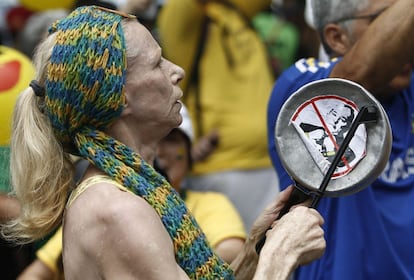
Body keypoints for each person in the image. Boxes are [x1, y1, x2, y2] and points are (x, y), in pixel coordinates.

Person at [0, 5, 325, 279]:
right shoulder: (117, 211)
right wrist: (281, 255)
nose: (177, 71)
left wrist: (259, 245)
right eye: (158, 63)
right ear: (120, 96)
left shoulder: (128, 189)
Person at [267, 0, 414, 279]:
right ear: (337, 37)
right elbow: (359, 73)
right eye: (386, 19)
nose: (406, 33)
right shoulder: (302, 86)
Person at [17, 105, 246, 280]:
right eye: (158, 142)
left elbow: (231, 251)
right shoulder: (113, 208)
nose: (161, 153)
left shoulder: (211, 204)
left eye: (173, 140)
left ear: (189, 151)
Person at [157, 0, 280, 233]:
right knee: (232, 260)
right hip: (219, 168)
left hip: (269, 163)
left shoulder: (235, 10)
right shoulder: (179, 16)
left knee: (273, 257)